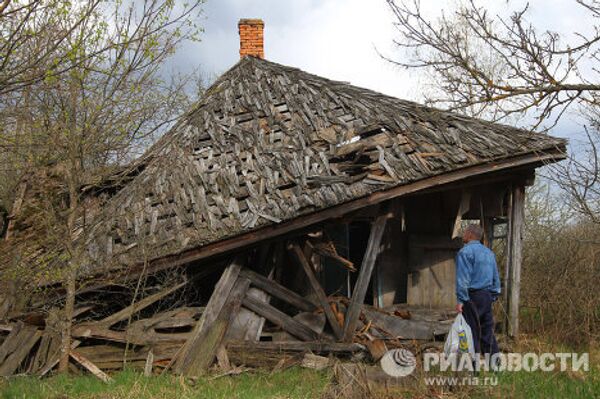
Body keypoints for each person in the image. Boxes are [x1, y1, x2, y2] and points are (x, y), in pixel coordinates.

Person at [455, 224, 500, 361]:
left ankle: (472, 368)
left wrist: (461, 300)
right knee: (487, 332)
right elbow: (495, 279)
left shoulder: (465, 252)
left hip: (472, 296)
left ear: (469, 234)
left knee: (471, 332)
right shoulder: (489, 253)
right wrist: (493, 295)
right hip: (486, 296)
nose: (463, 234)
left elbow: (463, 280)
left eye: (464, 232)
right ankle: (495, 365)